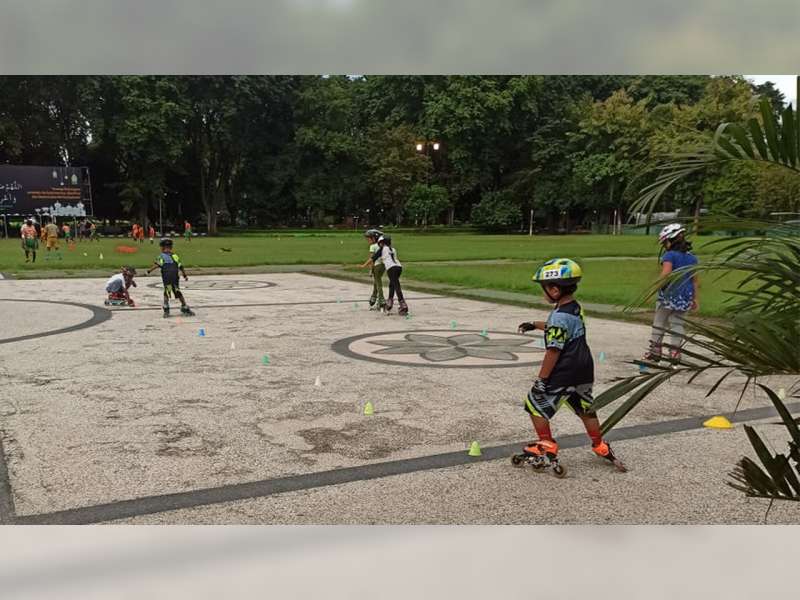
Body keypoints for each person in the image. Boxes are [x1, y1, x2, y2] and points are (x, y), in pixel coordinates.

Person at [515, 258, 626, 475]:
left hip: (563, 371)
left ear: (554, 290)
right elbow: (563, 328)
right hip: (583, 369)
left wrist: (541, 380)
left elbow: (553, 350)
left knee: (534, 404)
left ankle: (546, 444)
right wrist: (535, 324)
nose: (542, 293)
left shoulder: (558, 316)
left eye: (543, 289)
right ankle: (599, 445)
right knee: (585, 408)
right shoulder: (575, 308)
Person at [643, 223, 699, 365]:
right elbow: (695, 280)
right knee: (677, 323)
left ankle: (655, 351)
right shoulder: (692, 258)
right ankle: (675, 353)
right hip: (685, 295)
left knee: (659, 322)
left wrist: (653, 288)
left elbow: (666, 274)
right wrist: (695, 298)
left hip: (669, 294)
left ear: (670, 240)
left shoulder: (669, 255)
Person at [147, 238, 195, 318]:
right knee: (177, 291)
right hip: (175, 278)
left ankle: (166, 308)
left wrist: (148, 271)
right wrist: (185, 275)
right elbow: (181, 266)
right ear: (171, 247)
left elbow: (157, 265)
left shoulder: (161, 256)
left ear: (162, 247)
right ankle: (184, 306)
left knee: (167, 292)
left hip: (167, 278)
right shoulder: (175, 256)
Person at [372, 235, 407, 316]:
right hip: (399, 267)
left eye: (380, 243)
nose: (379, 245)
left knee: (396, 285)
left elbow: (373, 258)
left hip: (391, 269)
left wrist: (363, 265)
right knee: (392, 285)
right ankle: (390, 302)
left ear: (382, 243)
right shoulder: (393, 249)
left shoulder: (383, 248)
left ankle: (403, 304)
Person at [360, 229, 386, 311]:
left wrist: (370, 270)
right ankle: (373, 297)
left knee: (378, 283)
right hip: (383, 266)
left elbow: (372, 259)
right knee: (377, 281)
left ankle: (381, 300)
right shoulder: (382, 246)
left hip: (376, 266)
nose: (368, 241)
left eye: (369, 239)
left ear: (374, 238)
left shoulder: (372, 246)